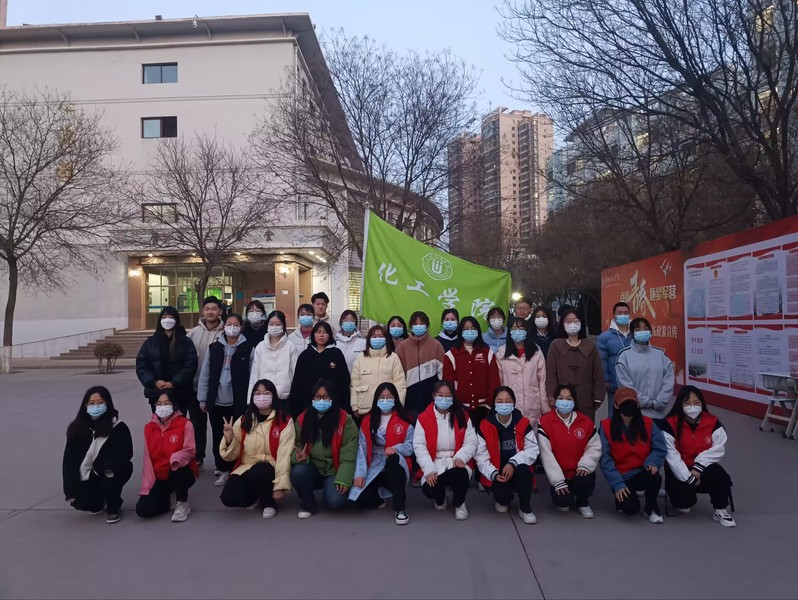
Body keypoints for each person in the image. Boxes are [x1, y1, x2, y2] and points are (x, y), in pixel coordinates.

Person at [659, 386, 736, 527]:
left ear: (702, 403)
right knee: (684, 504)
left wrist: (699, 467)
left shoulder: (712, 422)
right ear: (680, 404)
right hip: (679, 471)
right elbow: (671, 455)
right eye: (687, 403)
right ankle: (674, 498)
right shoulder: (669, 424)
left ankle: (720, 510)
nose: (692, 407)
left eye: (696, 402)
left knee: (719, 475)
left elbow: (718, 449)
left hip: (702, 468)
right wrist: (689, 478)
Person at [218, 379, 296, 519]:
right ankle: (255, 497)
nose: (261, 397)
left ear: (273, 396)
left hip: (271, 465)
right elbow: (231, 455)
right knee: (228, 497)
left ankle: (268, 503)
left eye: (266, 393)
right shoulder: (244, 419)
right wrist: (229, 439)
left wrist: (280, 486)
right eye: (257, 393)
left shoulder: (283, 421)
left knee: (259, 472)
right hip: (247, 465)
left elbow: (284, 455)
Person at [197, 312, 254, 487]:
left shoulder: (248, 348)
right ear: (224, 326)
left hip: (237, 402)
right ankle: (221, 469)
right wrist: (203, 399)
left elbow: (253, 374)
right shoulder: (215, 348)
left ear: (241, 327)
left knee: (238, 436)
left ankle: (235, 469)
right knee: (218, 436)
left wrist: (250, 401)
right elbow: (205, 374)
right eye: (229, 324)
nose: (232, 327)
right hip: (217, 402)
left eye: (236, 324)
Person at [62, 386, 133, 524]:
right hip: (89, 475)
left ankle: (113, 506)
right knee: (84, 503)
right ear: (85, 405)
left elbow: (126, 453)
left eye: (100, 402)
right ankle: (99, 500)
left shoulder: (118, 427)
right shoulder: (77, 429)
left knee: (110, 471)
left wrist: (108, 465)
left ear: (108, 404)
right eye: (91, 403)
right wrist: (70, 490)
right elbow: (69, 461)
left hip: (110, 472)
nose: (96, 406)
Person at [290, 379, 358, 518]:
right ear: (312, 398)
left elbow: (349, 452)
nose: (322, 400)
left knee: (335, 502)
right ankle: (308, 503)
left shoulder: (345, 420)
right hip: (312, 467)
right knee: (298, 472)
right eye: (318, 397)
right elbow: (296, 444)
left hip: (334, 470)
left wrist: (343, 478)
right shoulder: (303, 419)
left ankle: (341, 490)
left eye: (326, 397)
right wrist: (300, 456)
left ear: (332, 398)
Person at [598, 387, 667, 523]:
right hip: (621, 476)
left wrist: (652, 462)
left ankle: (651, 507)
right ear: (616, 405)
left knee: (654, 477)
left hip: (642, 471)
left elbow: (660, 448)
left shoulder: (648, 423)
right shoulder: (606, 426)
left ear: (637, 405)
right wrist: (617, 483)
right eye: (624, 403)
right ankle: (622, 497)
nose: (628, 406)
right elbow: (605, 459)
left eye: (632, 403)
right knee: (631, 509)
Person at [349, 383, 414, 525]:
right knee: (358, 498)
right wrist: (359, 474)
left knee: (393, 460)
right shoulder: (368, 420)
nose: (385, 401)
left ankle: (400, 508)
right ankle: (378, 498)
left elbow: (411, 446)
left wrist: (396, 449)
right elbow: (361, 447)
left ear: (395, 399)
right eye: (381, 397)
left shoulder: (404, 419)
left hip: (395, 464)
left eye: (389, 397)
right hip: (374, 463)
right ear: (376, 400)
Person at [412, 381, 477, 520]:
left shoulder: (462, 415)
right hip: (434, 461)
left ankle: (459, 503)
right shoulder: (424, 418)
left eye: (448, 395)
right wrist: (428, 468)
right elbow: (419, 445)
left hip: (456, 459)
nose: (444, 399)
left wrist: (461, 457)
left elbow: (471, 442)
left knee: (460, 475)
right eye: (440, 395)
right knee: (430, 489)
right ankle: (440, 498)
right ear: (433, 396)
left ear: (453, 396)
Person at [475, 387, 539, 524]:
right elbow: (480, 456)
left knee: (523, 470)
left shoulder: (523, 423)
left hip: (517, 468)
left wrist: (513, 463)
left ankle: (525, 508)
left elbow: (533, 449)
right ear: (494, 404)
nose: (504, 404)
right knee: (503, 503)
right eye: (500, 401)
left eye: (508, 401)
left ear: (514, 403)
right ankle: (502, 498)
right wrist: (492, 473)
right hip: (498, 471)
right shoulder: (486, 425)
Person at [537, 384, 601, 518]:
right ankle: (565, 495)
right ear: (555, 400)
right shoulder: (545, 422)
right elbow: (546, 454)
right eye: (561, 398)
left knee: (586, 479)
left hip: (579, 471)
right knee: (563, 504)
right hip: (560, 474)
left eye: (569, 398)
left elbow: (594, 447)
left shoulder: (586, 421)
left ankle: (583, 503)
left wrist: (585, 464)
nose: (564, 402)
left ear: (574, 401)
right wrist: (557, 481)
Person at [135, 391, 198, 522]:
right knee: (143, 510)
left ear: (174, 405)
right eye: (159, 404)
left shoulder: (185, 424)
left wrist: (176, 458)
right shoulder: (149, 428)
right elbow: (147, 459)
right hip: (160, 477)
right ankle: (168, 499)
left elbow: (190, 450)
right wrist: (147, 485)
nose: (162, 407)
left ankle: (182, 503)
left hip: (181, 472)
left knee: (177, 468)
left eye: (166, 403)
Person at [136, 306, 198, 416]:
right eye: (164, 317)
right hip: (156, 392)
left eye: (171, 317)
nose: (167, 320)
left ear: (176, 320)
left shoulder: (185, 342)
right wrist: (154, 382)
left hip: (179, 393)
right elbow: (141, 365)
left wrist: (174, 383)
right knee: (159, 422)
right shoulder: (150, 343)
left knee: (179, 423)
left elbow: (190, 365)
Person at [545, 308, 606, 422]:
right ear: (563, 324)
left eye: (575, 321)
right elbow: (551, 373)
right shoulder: (556, 345)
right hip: (562, 400)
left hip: (586, 399)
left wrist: (598, 397)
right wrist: (552, 395)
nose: (572, 324)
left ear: (581, 323)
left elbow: (599, 373)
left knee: (585, 429)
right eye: (568, 321)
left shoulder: (590, 346)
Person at [186, 296, 224, 471]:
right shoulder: (193, 333)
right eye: (207, 308)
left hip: (218, 389)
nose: (210, 312)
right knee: (197, 425)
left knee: (219, 427)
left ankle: (221, 462)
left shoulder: (226, 332)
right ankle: (198, 458)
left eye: (214, 309)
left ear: (220, 311)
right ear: (203, 311)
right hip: (195, 387)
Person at [443, 316, 501, 430]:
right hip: (460, 409)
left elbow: (494, 381)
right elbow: (448, 384)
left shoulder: (487, 352)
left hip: (484, 409)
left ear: (478, 331)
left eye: (473, 328)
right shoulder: (451, 355)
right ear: (460, 331)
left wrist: (489, 405)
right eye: (466, 329)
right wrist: (455, 406)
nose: (469, 331)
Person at [616, 317, 675, 420]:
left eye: (646, 329)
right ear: (632, 333)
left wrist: (658, 403)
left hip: (661, 414)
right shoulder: (624, 356)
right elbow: (625, 385)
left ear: (650, 332)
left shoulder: (660, 355)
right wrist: (646, 402)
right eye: (638, 329)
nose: (642, 332)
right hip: (636, 414)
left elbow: (668, 381)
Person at [289, 322, 351, 418]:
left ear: (330, 335)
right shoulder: (305, 355)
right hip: (308, 404)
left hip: (333, 403)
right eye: (318, 332)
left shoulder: (337, 354)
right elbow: (297, 382)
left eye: (325, 332)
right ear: (313, 334)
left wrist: (345, 405)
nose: (321, 335)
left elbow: (344, 380)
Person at [496, 317, 548, 426]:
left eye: (521, 328)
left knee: (531, 433)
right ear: (509, 331)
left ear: (526, 331)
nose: (517, 331)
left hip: (532, 404)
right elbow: (499, 381)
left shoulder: (536, 352)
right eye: (514, 328)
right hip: (510, 404)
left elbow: (542, 381)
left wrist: (544, 406)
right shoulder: (501, 353)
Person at [350, 325, 407, 419]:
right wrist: (354, 406)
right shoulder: (361, 358)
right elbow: (355, 383)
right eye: (374, 336)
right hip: (365, 408)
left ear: (386, 339)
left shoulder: (393, 357)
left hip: (388, 407)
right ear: (369, 339)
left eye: (381, 336)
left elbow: (400, 383)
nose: (377, 339)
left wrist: (399, 405)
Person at [395, 311, 445, 419]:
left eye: (421, 323)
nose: (418, 326)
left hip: (432, 402)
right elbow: (397, 376)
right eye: (415, 323)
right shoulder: (402, 347)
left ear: (427, 325)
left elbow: (442, 374)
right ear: (410, 326)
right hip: (409, 403)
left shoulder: (436, 345)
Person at [248, 310, 297, 408]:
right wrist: (251, 399)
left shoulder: (290, 346)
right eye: (271, 324)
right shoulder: (260, 347)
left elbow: (295, 373)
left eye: (278, 324)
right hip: (264, 397)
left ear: (283, 325)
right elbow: (255, 374)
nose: (274, 327)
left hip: (284, 397)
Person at [597, 302, 633, 417]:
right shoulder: (604, 337)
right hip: (615, 384)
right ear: (614, 315)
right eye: (620, 313)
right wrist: (606, 380)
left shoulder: (635, 334)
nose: (623, 315)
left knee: (635, 415)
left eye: (626, 313)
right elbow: (602, 360)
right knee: (615, 415)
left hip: (635, 383)